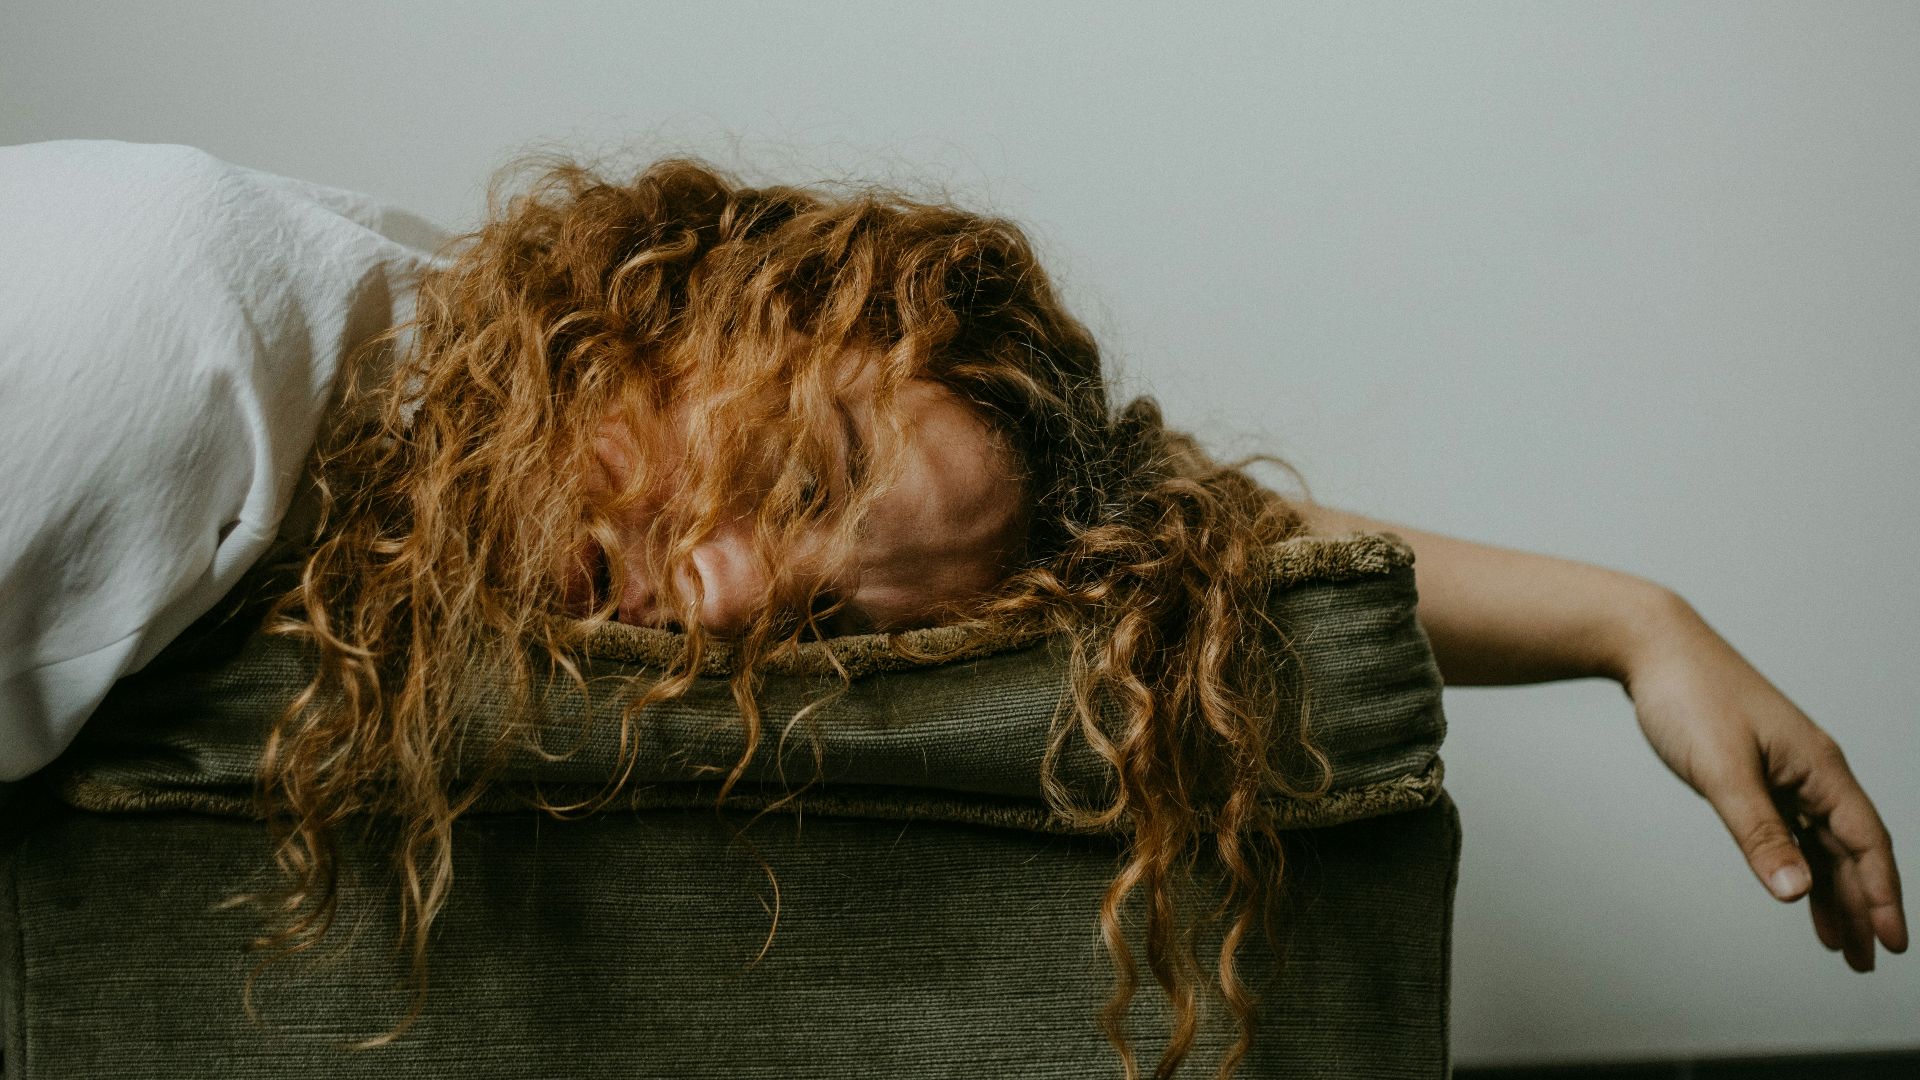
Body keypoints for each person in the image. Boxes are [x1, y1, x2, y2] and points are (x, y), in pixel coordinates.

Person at [0, 143, 1905, 1076]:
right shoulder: (171, 338)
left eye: (827, 618)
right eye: (801, 472)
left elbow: (1170, 525)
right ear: (692, 300)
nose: (728, 604)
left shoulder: (438, 380)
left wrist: (1634, 622)